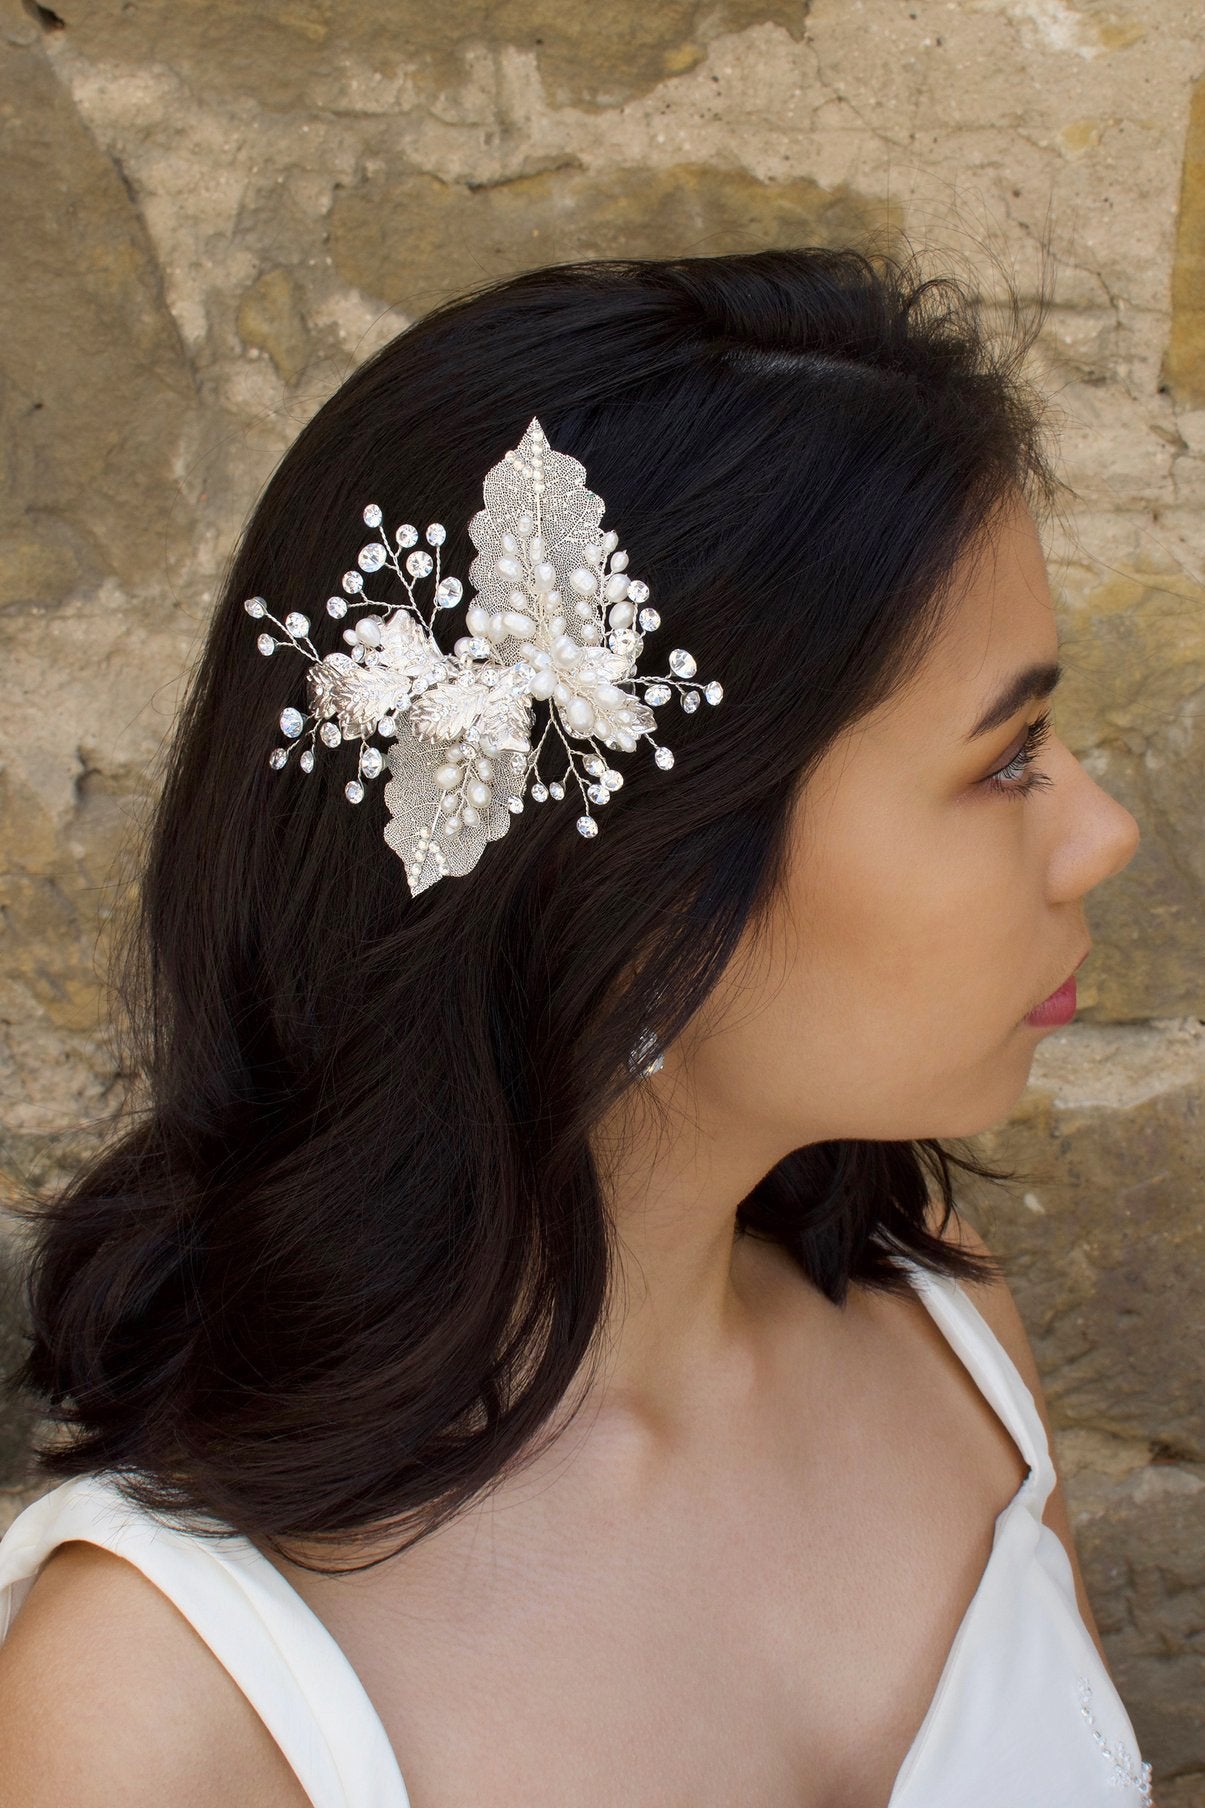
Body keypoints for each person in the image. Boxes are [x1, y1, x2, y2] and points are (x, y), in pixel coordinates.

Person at [0, 243, 1152, 1806]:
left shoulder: (945, 1336)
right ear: (638, 893)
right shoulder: (154, 1710)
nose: (1100, 833)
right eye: (1006, 755)